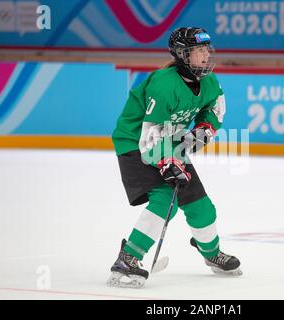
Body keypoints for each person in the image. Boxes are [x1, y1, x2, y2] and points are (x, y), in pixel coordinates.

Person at [107, 27, 242, 288]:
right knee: (165, 197)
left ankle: (211, 252)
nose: (205, 55)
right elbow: (149, 139)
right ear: (182, 54)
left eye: (206, 49)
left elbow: (214, 109)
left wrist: (203, 129)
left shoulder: (210, 81)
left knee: (200, 203)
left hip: (169, 143)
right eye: (198, 51)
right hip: (135, 143)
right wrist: (169, 162)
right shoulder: (164, 83)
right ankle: (128, 259)